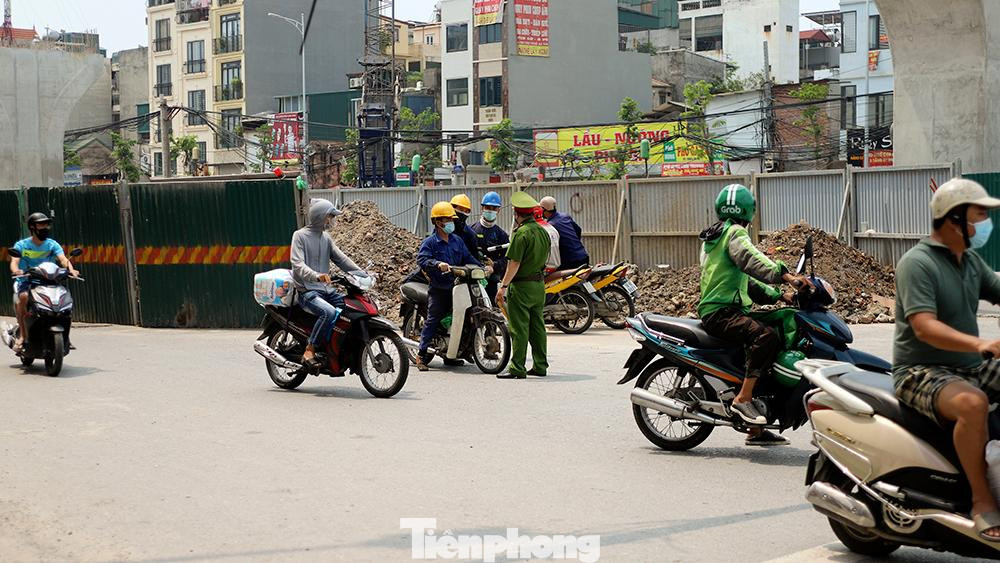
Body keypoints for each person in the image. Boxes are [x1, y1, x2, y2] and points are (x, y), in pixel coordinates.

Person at [892, 178, 1000, 541]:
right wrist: (981, 344)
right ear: (955, 219)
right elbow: (925, 327)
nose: (986, 223)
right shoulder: (917, 263)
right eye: (980, 215)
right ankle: (981, 500)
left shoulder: (969, 261)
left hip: (968, 366)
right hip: (920, 370)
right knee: (973, 404)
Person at [697, 184, 808, 445]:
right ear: (749, 211)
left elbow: (748, 282)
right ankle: (743, 399)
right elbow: (752, 260)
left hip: (723, 309)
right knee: (765, 336)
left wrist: (780, 296)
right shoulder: (734, 233)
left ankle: (755, 428)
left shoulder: (715, 237)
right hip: (721, 312)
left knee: (772, 331)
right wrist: (785, 275)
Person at [290, 199, 361, 367]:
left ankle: (332, 344)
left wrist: (363, 273)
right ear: (321, 216)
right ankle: (310, 348)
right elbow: (297, 264)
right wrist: (316, 276)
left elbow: (342, 260)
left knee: (349, 309)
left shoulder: (326, 238)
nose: (332, 220)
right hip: (307, 291)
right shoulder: (299, 236)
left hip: (326, 290)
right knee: (328, 312)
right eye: (330, 216)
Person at [415, 201, 484, 372]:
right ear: (438, 222)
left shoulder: (457, 241)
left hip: (458, 286)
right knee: (433, 319)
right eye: (447, 219)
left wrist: (482, 268)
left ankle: (454, 352)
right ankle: (421, 354)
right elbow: (422, 259)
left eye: (451, 219)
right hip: (440, 288)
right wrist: (437, 264)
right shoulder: (430, 242)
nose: (451, 223)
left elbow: (468, 258)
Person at [496, 192, 551, 380]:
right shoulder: (543, 231)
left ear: (517, 214)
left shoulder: (521, 233)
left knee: (518, 328)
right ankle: (540, 366)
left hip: (522, 287)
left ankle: (517, 368)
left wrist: (503, 286)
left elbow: (514, 263)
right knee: (538, 328)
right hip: (538, 286)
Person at [10, 213, 79, 353]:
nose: (45, 227)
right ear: (32, 227)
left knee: (65, 299)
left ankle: (65, 336)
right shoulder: (22, 245)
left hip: (49, 280)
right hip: (27, 280)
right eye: (41, 224)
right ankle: (22, 335)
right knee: (23, 297)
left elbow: (63, 260)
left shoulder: (52, 244)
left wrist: (71, 270)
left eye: (46, 224)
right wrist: (16, 271)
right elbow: (14, 262)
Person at [469, 191, 510, 304]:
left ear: (498, 210)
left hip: (492, 280)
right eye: (487, 207)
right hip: (473, 278)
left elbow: (507, 258)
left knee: (491, 307)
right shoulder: (471, 230)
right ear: (482, 208)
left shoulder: (501, 235)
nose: (490, 210)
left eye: (494, 208)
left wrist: (494, 266)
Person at [539, 196, 589, 269]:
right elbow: (578, 230)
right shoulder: (565, 216)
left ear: (543, 210)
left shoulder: (550, 226)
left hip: (570, 261)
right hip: (583, 255)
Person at [450, 194, 481, 260]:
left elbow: (474, 259)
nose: (463, 213)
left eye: (466, 211)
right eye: (460, 209)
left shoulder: (470, 235)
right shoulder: (443, 230)